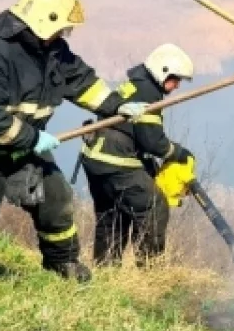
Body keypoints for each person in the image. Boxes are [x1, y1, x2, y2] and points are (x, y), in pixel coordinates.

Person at [0, 0, 149, 320]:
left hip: (23, 145)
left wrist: (116, 106)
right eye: (62, 26)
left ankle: (61, 262)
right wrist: (31, 139)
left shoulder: (52, 51)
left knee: (57, 200)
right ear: (44, 20)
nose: (66, 32)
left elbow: (83, 82)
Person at [81, 43, 196, 266]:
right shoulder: (149, 93)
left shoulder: (136, 84)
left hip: (96, 157)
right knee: (154, 207)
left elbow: (136, 133)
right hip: (116, 160)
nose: (177, 85)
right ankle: (150, 271)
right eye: (175, 79)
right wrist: (178, 153)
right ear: (163, 71)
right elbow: (153, 141)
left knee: (113, 215)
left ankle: (105, 270)